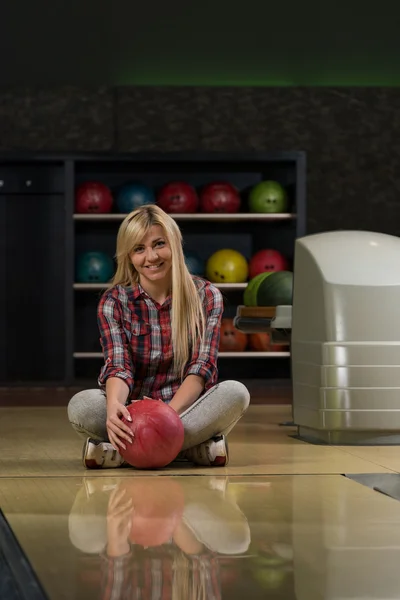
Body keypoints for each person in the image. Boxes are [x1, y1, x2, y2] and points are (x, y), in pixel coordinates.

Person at [67, 204, 250, 469]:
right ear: (128, 256)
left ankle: (126, 453)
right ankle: (188, 450)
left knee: (236, 393)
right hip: (133, 414)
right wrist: (114, 407)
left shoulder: (207, 296)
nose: (151, 256)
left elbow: (201, 368)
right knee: (82, 405)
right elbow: (119, 366)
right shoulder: (113, 301)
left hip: (183, 410)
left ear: (174, 244)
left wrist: (165, 418)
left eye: (159, 244)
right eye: (139, 249)